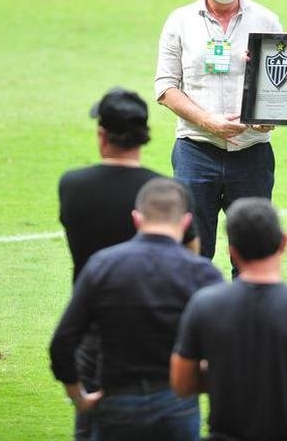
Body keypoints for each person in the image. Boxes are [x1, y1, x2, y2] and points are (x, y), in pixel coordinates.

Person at [57, 87, 198, 441]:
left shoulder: (72, 186)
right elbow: (191, 254)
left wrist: (78, 398)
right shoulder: (168, 193)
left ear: (102, 135)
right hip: (161, 327)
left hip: (97, 329)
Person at [50, 178, 223, 441]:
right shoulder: (201, 273)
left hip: (117, 401)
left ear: (137, 218)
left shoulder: (102, 266)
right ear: (186, 222)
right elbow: (226, 346)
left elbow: (63, 342)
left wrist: (78, 397)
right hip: (177, 404)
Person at [155, 0, 283, 265]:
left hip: (251, 151)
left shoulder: (266, 20)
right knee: (192, 252)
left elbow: (281, 84)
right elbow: (166, 87)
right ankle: (194, 316)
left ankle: (249, 317)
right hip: (196, 151)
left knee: (254, 254)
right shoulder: (180, 21)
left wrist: (270, 115)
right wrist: (209, 122)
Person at [171, 198, 287, 441]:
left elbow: (182, 383)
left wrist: (222, 371)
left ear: (231, 251)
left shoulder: (205, 306)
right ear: (284, 242)